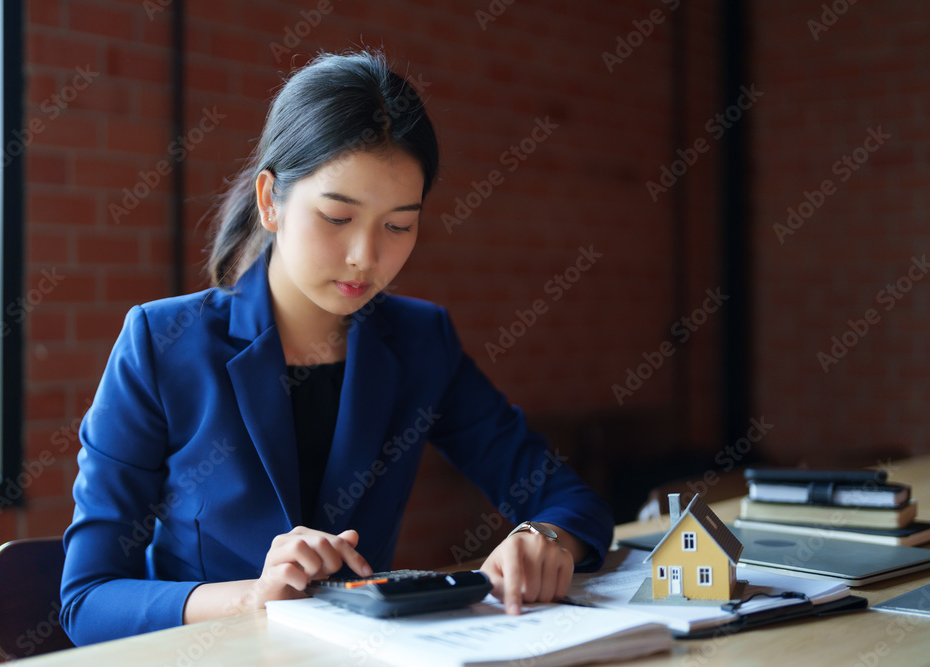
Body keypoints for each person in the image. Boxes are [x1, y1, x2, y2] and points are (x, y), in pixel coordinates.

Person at [60, 50, 613, 646]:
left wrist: (546, 538)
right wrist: (251, 596)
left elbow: (565, 498)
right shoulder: (162, 345)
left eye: (398, 226)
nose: (365, 258)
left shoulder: (420, 341)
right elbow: (86, 599)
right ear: (270, 201)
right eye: (336, 217)